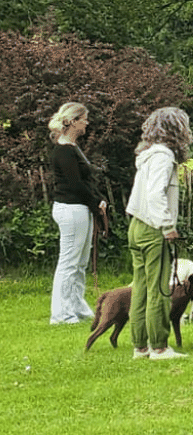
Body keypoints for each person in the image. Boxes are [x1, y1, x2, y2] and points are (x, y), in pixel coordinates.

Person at [126, 107, 193, 359]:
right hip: (153, 229)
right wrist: (168, 226)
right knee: (158, 289)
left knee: (141, 287)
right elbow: (156, 195)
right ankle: (159, 347)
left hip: (136, 226)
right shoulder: (164, 157)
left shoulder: (146, 155)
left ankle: (140, 346)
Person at [47, 102, 107, 324]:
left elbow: (85, 181)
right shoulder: (64, 151)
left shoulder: (73, 149)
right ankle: (61, 314)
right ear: (73, 121)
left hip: (79, 209)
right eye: (84, 119)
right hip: (71, 210)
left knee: (80, 262)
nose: (87, 123)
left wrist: (99, 199)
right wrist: (95, 204)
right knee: (69, 262)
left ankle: (77, 306)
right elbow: (75, 185)